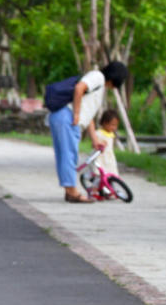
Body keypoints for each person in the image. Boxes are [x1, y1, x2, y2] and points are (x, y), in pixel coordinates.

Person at [48, 61, 128, 203]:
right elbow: (79, 88)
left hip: (62, 116)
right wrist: (76, 115)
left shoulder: (100, 85)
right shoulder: (98, 77)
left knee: (65, 154)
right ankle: (72, 192)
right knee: (69, 155)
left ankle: (69, 191)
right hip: (68, 116)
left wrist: (94, 140)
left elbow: (89, 115)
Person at [95, 109, 120, 176]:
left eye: (116, 125)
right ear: (104, 123)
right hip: (101, 158)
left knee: (110, 174)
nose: (114, 127)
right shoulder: (98, 133)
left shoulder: (111, 134)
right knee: (100, 177)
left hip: (109, 159)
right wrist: (100, 143)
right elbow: (94, 145)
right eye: (112, 125)